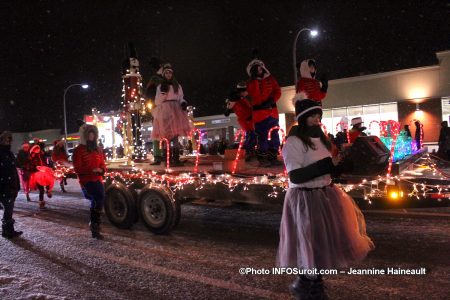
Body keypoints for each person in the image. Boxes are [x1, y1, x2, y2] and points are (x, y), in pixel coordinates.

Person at [277, 94, 374, 299]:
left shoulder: (321, 138)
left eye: (318, 114)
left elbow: (325, 169)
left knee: (321, 243)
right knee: (310, 243)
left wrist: (339, 168)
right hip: (305, 198)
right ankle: (307, 284)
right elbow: (296, 175)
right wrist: (327, 166)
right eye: (312, 115)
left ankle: (310, 283)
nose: (316, 119)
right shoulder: (293, 142)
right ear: (302, 117)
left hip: (325, 195)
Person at [151, 63, 192, 166]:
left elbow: (181, 97)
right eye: (166, 73)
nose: (168, 74)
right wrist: (163, 93)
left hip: (176, 110)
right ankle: (167, 159)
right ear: (164, 74)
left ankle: (176, 158)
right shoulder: (160, 86)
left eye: (170, 73)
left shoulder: (177, 85)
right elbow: (157, 102)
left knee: (175, 136)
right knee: (166, 136)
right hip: (165, 110)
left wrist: (183, 102)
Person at [246, 56, 282, 167]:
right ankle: (263, 159)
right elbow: (255, 94)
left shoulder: (270, 79)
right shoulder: (251, 83)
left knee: (275, 136)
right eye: (257, 68)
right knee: (263, 137)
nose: (260, 69)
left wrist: (272, 100)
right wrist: (255, 80)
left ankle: (273, 157)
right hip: (260, 116)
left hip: (273, 113)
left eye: (261, 67)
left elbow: (277, 91)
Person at [73, 125, 107, 239]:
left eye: (93, 134)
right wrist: (91, 170)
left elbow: (102, 165)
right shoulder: (79, 150)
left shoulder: (98, 149)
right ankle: (95, 226)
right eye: (89, 134)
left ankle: (94, 224)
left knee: (100, 200)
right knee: (97, 199)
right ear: (86, 136)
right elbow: (77, 168)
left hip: (98, 179)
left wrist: (101, 170)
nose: (91, 136)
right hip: (86, 181)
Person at [224, 81, 257, 161]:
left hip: (248, 118)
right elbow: (228, 109)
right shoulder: (235, 98)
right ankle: (245, 152)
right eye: (246, 91)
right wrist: (228, 108)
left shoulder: (240, 98)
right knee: (252, 136)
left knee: (252, 136)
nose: (247, 93)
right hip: (246, 119)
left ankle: (247, 152)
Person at [0, 132, 23, 238]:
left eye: (9, 140)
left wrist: (17, 184)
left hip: (11, 185)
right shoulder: (2, 153)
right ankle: (7, 231)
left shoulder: (9, 153)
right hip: (4, 187)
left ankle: (8, 230)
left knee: (9, 210)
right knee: (8, 209)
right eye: (6, 140)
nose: (8, 141)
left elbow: (13, 170)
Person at [27, 144, 54, 209]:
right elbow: (29, 166)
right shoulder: (31, 157)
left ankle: (48, 191)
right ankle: (41, 203)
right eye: (36, 149)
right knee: (41, 190)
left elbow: (47, 160)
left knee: (49, 181)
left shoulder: (42, 155)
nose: (37, 150)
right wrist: (36, 168)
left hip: (44, 172)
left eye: (38, 148)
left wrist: (47, 167)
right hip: (37, 175)